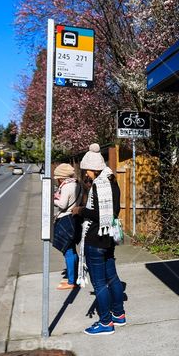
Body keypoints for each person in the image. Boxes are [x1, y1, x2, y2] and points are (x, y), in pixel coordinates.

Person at [72, 143, 125, 336]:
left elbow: (99, 213)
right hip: (109, 237)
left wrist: (80, 210)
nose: (86, 174)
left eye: (86, 170)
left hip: (95, 239)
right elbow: (113, 212)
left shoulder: (98, 185)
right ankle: (119, 314)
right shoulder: (113, 181)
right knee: (112, 277)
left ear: (92, 169)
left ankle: (105, 322)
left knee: (99, 282)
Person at [52, 163, 81, 290]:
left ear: (61, 177)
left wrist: (52, 199)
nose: (57, 180)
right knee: (73, 250)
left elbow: (62, 204)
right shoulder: (77, 184)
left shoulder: (66, 186)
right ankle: (75, 276)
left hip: (65, 219)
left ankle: (71, 281)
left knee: (68, 251)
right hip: (75, 219)